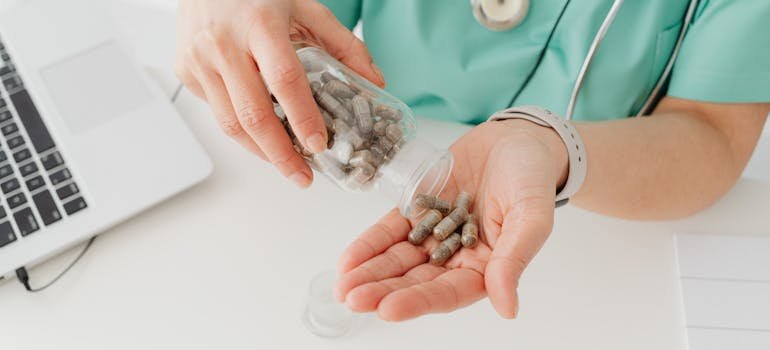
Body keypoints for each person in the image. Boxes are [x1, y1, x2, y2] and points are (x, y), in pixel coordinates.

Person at [174, 0, 770, 321]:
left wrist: (550, 145)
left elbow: (711, 134)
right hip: (295, 209)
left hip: (608, 230)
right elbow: (286, 25)